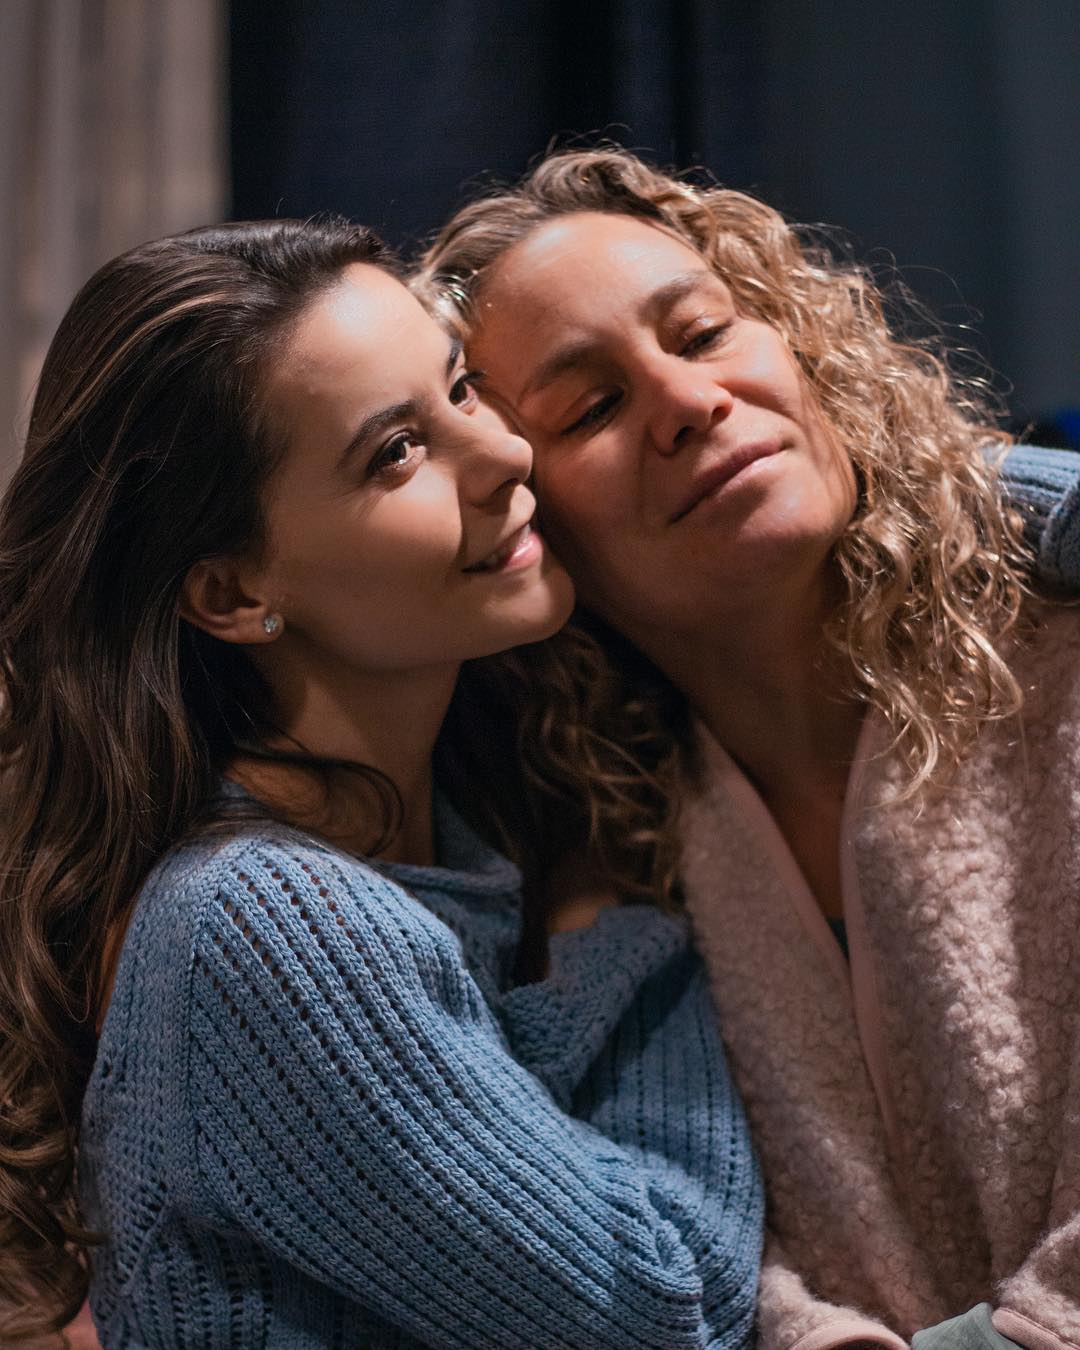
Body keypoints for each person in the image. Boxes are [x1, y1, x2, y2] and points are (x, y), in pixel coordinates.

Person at [0, 218, 764, 1347]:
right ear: (232, 593)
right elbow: (672, 1307)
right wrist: (613, 921)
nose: (503, 456)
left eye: (462, 390)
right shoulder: (261, 925)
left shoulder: (444, 842)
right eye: (396, 452)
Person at [417, 147, 1080, 1349]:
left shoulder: (1064, 661)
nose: (688, 401)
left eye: (705, 333)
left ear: (803, 345)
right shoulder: (583, 853)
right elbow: (665, 1255)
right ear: (520, 515)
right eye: (592, 408)